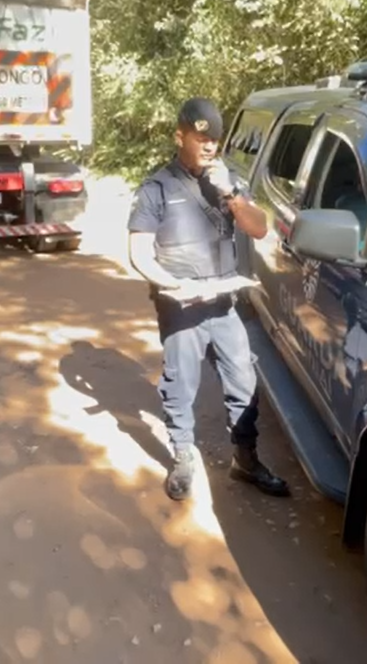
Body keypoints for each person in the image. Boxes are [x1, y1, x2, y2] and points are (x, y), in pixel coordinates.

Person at [126, 97, 290, 501]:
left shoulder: (228, 180)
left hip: (222, 301)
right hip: (181, 305)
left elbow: (258, 228)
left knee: (243, 380)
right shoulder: (156, 187)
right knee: (180, 384)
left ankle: (245, 460)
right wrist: (171, 284)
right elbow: (138, 253)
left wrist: (231, 194)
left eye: (214, 138)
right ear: (179, 136)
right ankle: (183, 456)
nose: (209, 144)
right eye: (200, 137)